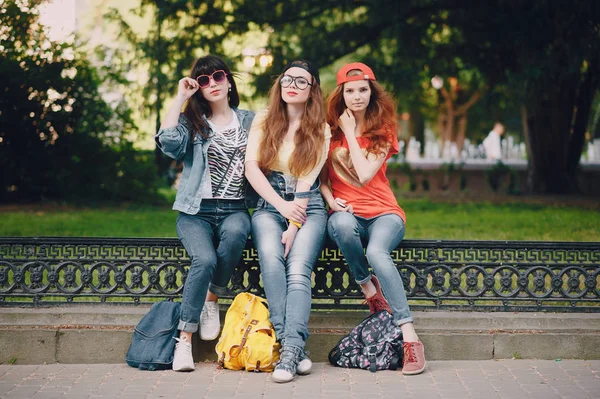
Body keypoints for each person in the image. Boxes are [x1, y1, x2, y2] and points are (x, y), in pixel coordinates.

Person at [320, 62, 426, 375]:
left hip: (384, 214)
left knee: (377, 252)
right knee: (338, 225)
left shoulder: (384, 129)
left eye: (363, 89)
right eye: (350, 91)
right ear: (340, 94)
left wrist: (352, 133)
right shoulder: (328, 131)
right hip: (347, 216)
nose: (357, 96)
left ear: (372, 91)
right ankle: (369, 289)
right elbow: (322, 179)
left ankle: (410, 338)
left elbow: (365, 175)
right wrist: (332, 202)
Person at [155, 55, 255, 372]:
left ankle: (211, 299)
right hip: (195, 211)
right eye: (203, 80)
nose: (212, 84)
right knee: (205, 259)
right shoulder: (192, 123)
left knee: (238, 232)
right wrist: (180, 97)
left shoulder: (251, 121)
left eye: (218, 76)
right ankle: (184, 340)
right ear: (198, 87)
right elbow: (168, 143)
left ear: (229, 81)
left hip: (235, 208)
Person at [244, 60, 331, 383]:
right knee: (271, 259)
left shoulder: (321, 129)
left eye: (301, 81)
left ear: (312, 92)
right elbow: (252, 168)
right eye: (287, 79)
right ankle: (293, 346)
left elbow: (307, 182)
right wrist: (281, 207)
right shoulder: (264, 120)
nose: (291, 84)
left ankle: (289, 351)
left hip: (307, 207)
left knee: (297, 269)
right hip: (269, 202)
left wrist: (293, 226)